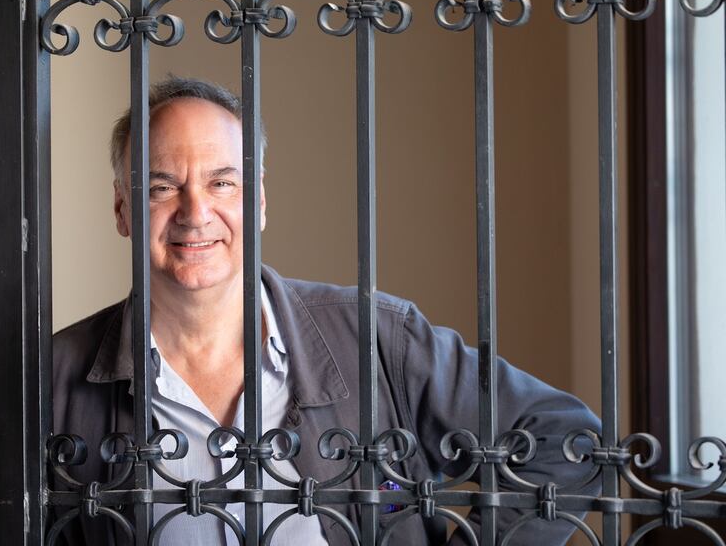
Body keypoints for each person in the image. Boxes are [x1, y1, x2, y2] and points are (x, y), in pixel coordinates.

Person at [51, 77, 600, 545]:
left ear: (258, 201)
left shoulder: (378, 338)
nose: (196, 213)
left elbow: (566, 439)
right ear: (122, 209)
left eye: (223, 183)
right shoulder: (55, 377)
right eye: (161, 187)